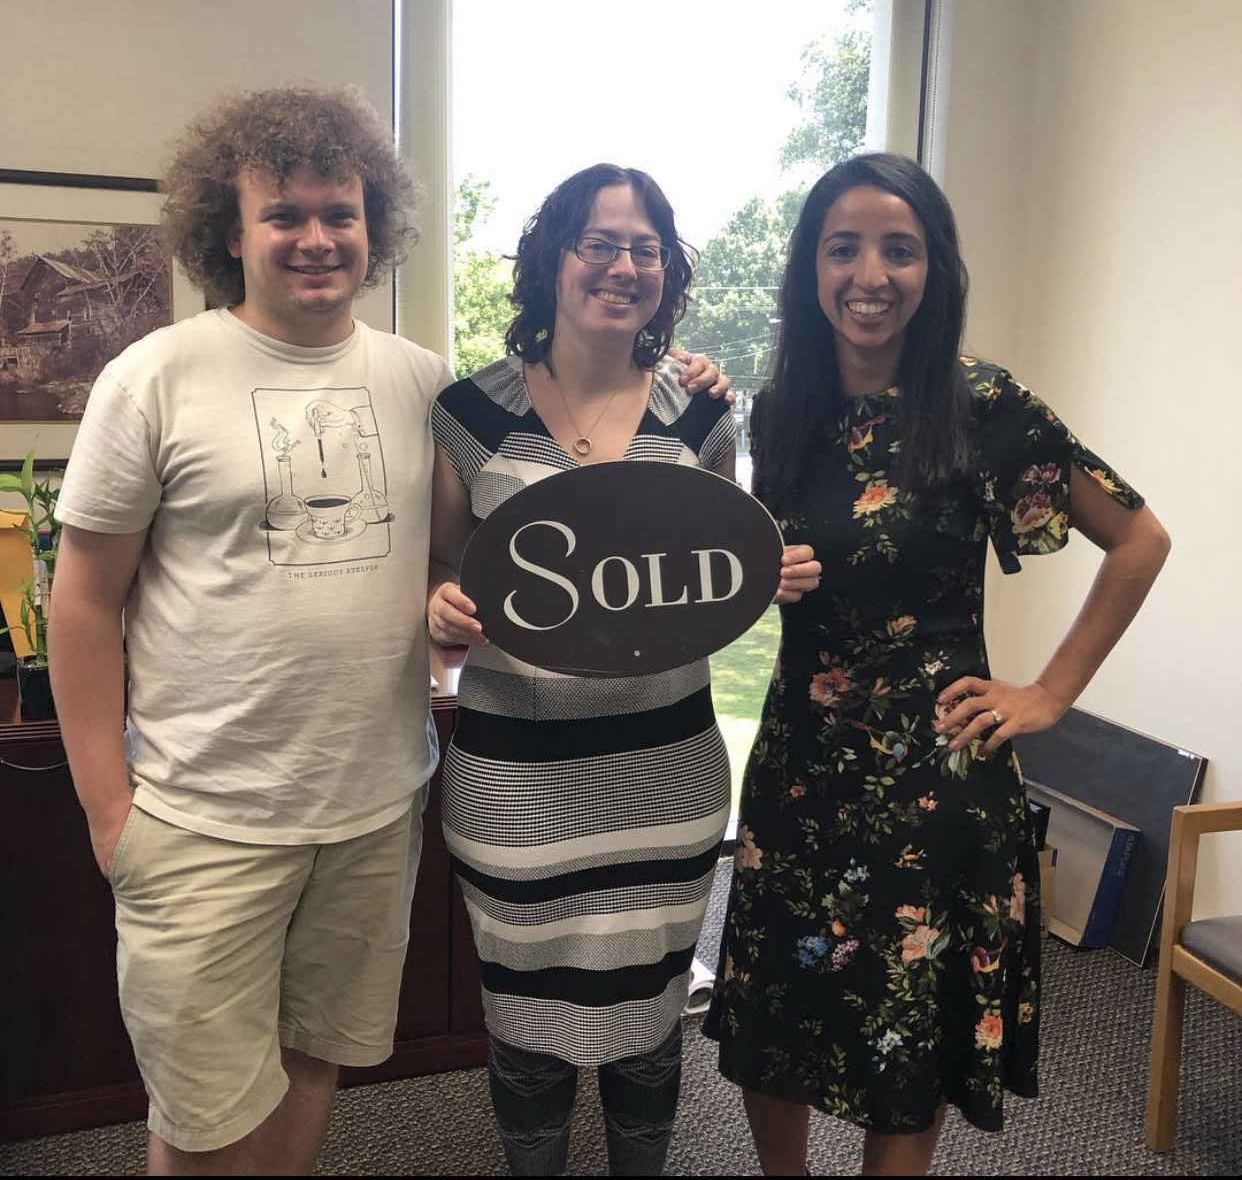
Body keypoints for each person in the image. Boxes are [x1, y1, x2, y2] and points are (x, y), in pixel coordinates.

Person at [47, 88, 728, 1177]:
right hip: (202, 811)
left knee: (317, 1062)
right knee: (201, 1105)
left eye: (341, 213)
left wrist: (441, 610)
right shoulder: (156, 375)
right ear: (232, 231)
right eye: (286, 216)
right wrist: (106, 808)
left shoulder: (421, 385)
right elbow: (81, 599)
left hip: (374, 803)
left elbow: (453, 565)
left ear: (376, 228)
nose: (317, 238)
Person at [702, 152, 1170, 1177]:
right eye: (843, 248)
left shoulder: (985, 406)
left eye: (898, 250)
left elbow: (1139, 542)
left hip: (938, 765)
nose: (870, 273)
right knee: (774, 999)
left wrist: (1050, 692)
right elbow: (735, 575)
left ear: (935, 269)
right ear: (810, 269)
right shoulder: (778, 411)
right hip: (800, 758)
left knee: (910, 1017)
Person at [427, 163, 819, 1177]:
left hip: (665, 771)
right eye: (597, 242)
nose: (623, 265)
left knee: (649, 1020)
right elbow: (436, 565)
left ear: (667, 272)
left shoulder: (700, 411)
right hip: (516, 778)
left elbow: (719, 568)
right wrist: (437, 608)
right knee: (524, 1022)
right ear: (553, 258)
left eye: (646, 247)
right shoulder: (469, 411)